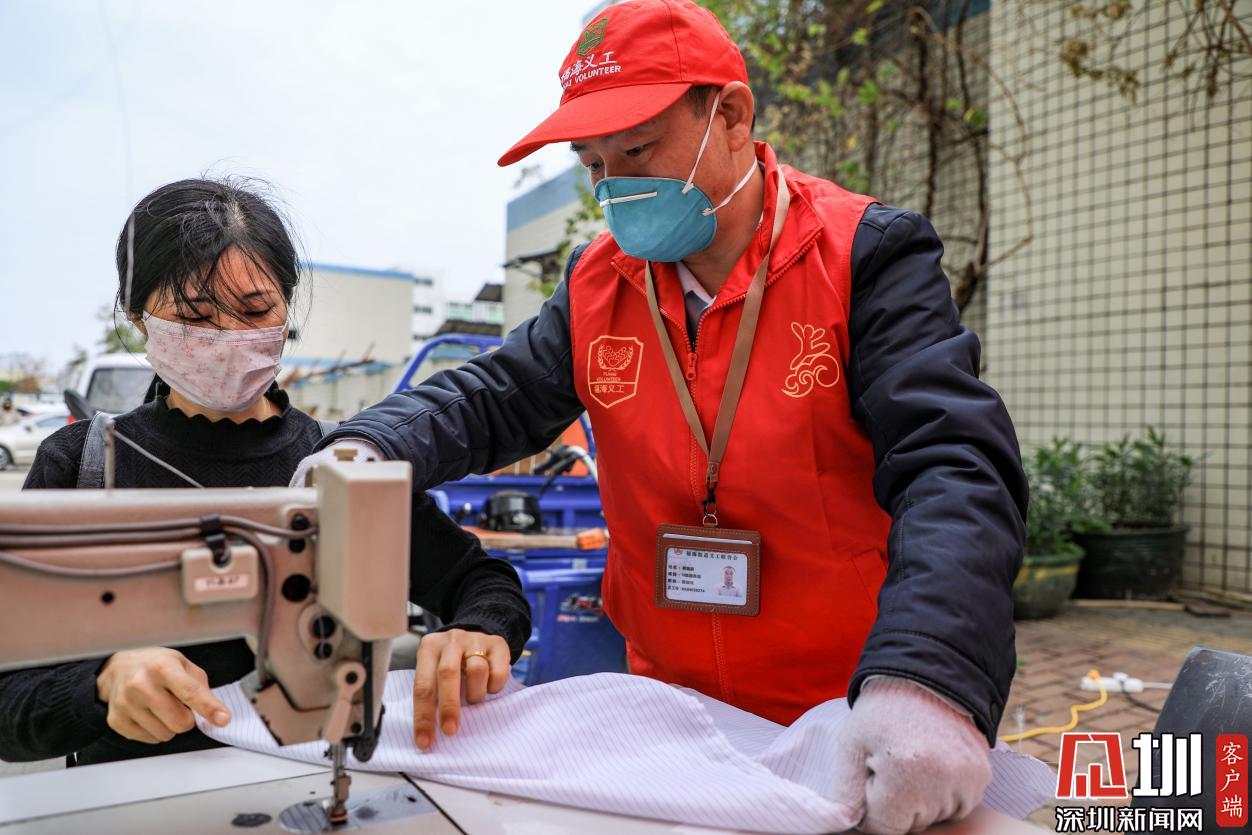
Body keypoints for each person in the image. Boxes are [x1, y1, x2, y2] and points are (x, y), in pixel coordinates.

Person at [293, 3, 1028, 832]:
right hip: (672, 718)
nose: (616, 187)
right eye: (594, 165)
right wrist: (365, 446)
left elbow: (954, 463)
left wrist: (929, 675)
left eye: (636, 151)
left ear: (732, 115)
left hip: (851, 713)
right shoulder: (599, 282)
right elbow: (494, 394)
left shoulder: (863, 255)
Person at [0, 178, 529, 767]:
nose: (228, 337)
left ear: (286, 306)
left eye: (254, 311)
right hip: (132, 792)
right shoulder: (83, 465)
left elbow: (480, 581)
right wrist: (98, 687)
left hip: (301, 776)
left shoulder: (341, 463)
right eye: (194, 317)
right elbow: (9, 702)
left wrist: (479, 630)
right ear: (137, 315)